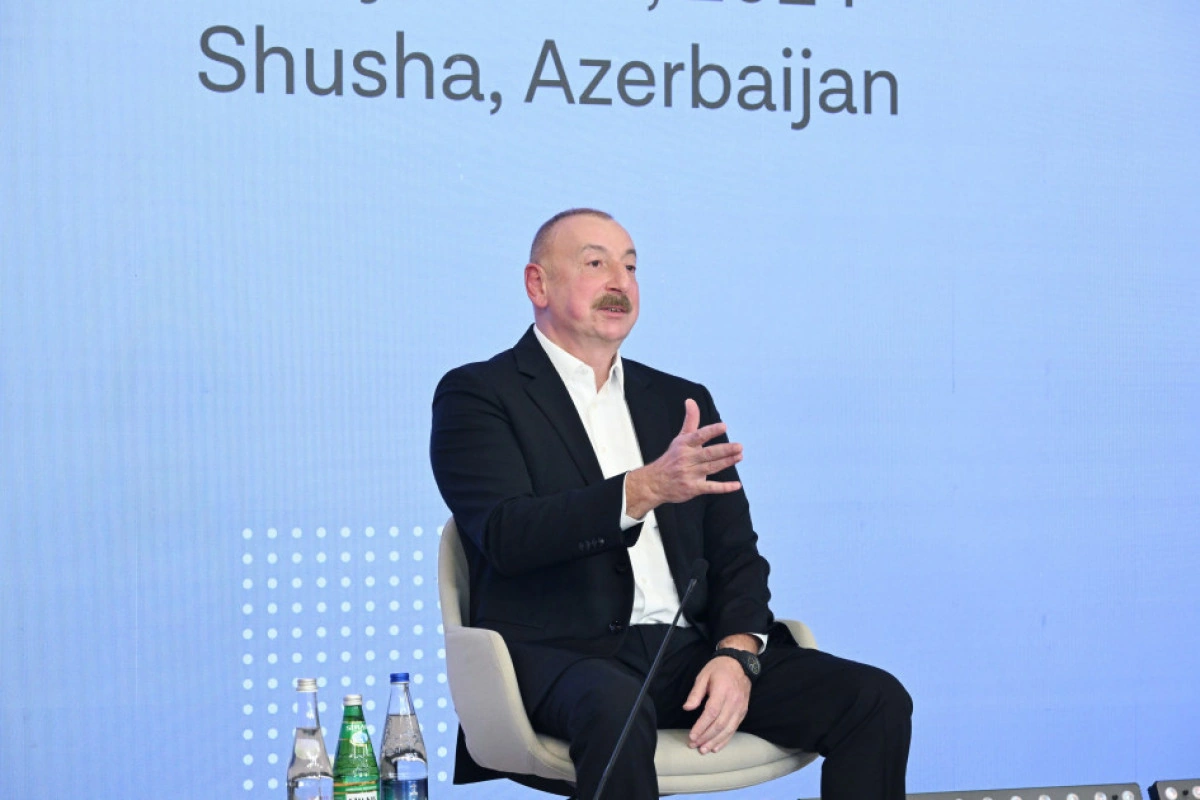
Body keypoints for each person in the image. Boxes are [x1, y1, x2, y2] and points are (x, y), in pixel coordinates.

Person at [429, 208, 912, 799]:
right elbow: (507, 535)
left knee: (874, 699)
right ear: (538, 284)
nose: (620, 282)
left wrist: (737, 655)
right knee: (615, 706)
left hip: (686, 653)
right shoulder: (479, 394)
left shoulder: (679, 401)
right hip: (562, 657)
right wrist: (643, 490)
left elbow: (735, 555)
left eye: (631, 267)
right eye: (596, 263)